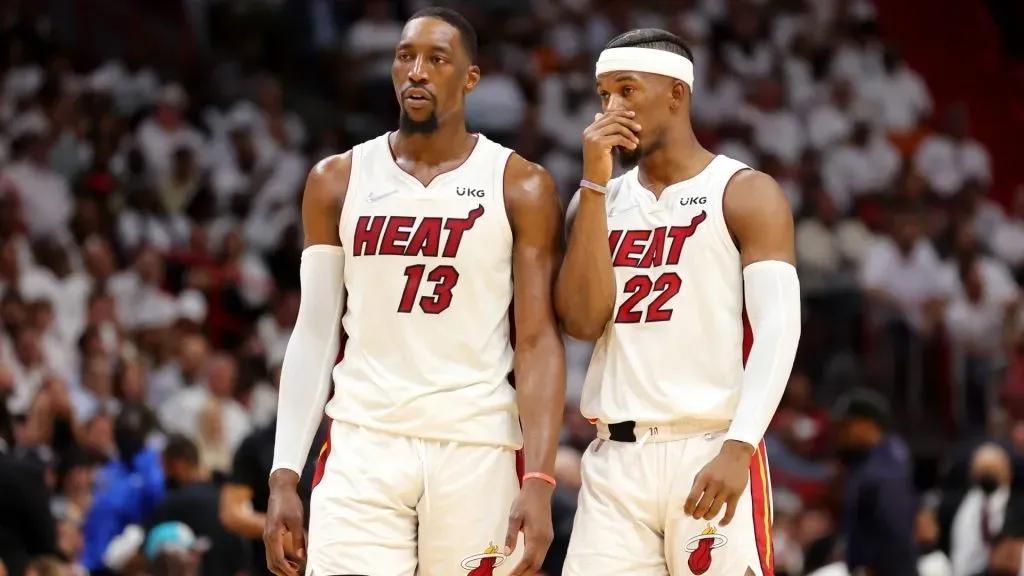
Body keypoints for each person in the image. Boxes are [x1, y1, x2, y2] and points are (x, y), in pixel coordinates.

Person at [264, 7, 565, 576]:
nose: (417, 71)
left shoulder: (520, 183)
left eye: (437, 58)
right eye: (405, 56)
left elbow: (537, 340)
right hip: (363, 441)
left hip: (476, 444)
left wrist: (540, 479)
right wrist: (285, 474)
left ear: (470, 78)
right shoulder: (337, 179)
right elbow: (313, 331)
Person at [556, 28, 802, 575]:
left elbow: (779, 329)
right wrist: (594, 187)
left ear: (676, 93)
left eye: (626, 90)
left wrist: (740, 447)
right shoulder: (591, 203)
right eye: (603, 96)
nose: (610, 109)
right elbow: (578, 321)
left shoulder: (744, 191)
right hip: (613, 459)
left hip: (709, 444)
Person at [833, 388, 918, 576]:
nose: (841, 434)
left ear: (868, 425)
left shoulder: (884, 465)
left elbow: (895, 530)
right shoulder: (868, 460)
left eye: (847, 426)